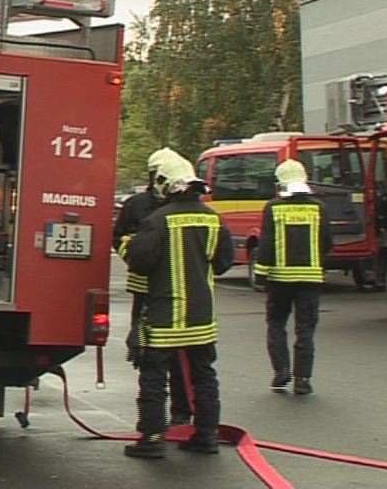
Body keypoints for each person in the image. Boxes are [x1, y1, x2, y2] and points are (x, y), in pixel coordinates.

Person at [123, 154, 234, 458]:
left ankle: (152, 440)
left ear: (167, 185)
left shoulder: (157, 220)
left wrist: (128, 245)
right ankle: (206, 436)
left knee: (154, 378)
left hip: (165, 317)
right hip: (202, 318)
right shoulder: (214, 218)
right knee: (204, 376)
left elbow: (140, 262)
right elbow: (223, 263)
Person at [113, 147, 192, 426]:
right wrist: (131, 254)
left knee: (180, 356)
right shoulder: (136, 205)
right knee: (147, 354)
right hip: (144, 289)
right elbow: (118, 237)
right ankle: (153, 421)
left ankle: (180, 414)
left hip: (177, 289)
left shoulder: (183, 206)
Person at [253, 159, 332, 395]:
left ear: (280, 183)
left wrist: (260, 276)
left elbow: (266, 245)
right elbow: (327, 242)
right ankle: (302, 380)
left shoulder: (273, 207)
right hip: (310, 279)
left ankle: (281, 370)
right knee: (305, 329)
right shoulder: (318, 207)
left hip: (280, 280)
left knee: (276, 324)